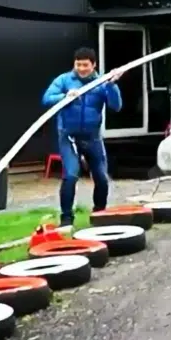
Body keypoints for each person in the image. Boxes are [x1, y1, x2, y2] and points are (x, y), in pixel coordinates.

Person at [42, 47, 124, 227]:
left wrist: (112, 85)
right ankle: (66, 219)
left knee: (101, 177)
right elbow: (46, 98)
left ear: (93, 65)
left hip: (92, 137)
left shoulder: (101, 82)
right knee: (70, 175)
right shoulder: (64, 80)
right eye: (78, 64)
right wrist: (64, 96)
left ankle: (100, 214)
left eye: (85, 65)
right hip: (68, 136)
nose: (81, 68)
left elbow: (116, 106)